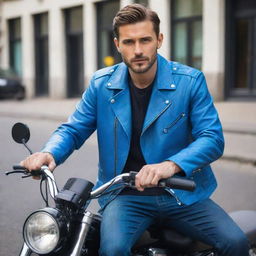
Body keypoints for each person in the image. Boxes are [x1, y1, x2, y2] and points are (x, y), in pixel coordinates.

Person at [21, 4, 249, 256]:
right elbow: (73, 129)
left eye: (145, 40)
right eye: (129, 42)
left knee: (235, 242)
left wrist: (170, 165)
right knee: (112, 249)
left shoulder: (190, 81)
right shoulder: (101, 84)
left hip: (181, 195)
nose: (138, 50)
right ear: (117, 44)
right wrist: (49, 153)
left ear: (159, 40)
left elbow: (212, 139)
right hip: (125, 196)